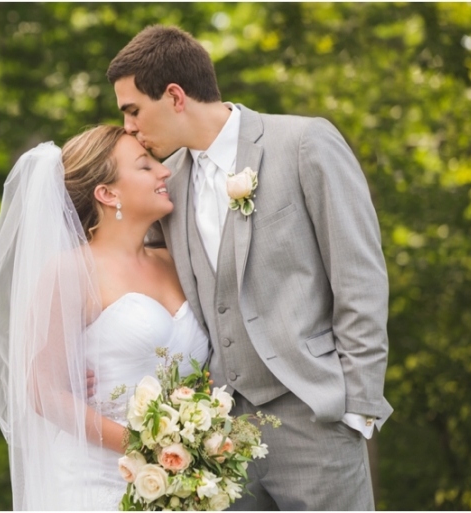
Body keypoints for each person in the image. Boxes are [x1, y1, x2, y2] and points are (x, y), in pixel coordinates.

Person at [104, 25, 393, 510]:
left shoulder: (303, 143)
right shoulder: (167, 186)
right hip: (221, 439)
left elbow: (359, 278)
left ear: (174, 96)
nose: (129, 127)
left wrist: (357, 408)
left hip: (317, 419)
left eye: (132, 110)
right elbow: (127, 263)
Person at [0, 126, 209, 510]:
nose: (164, 171)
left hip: (183, 478)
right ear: (107, 193)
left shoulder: (176, 263)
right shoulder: (71, 272)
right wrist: (144, 448)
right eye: (145, 166)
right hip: (99, 479)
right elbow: (43, 389)